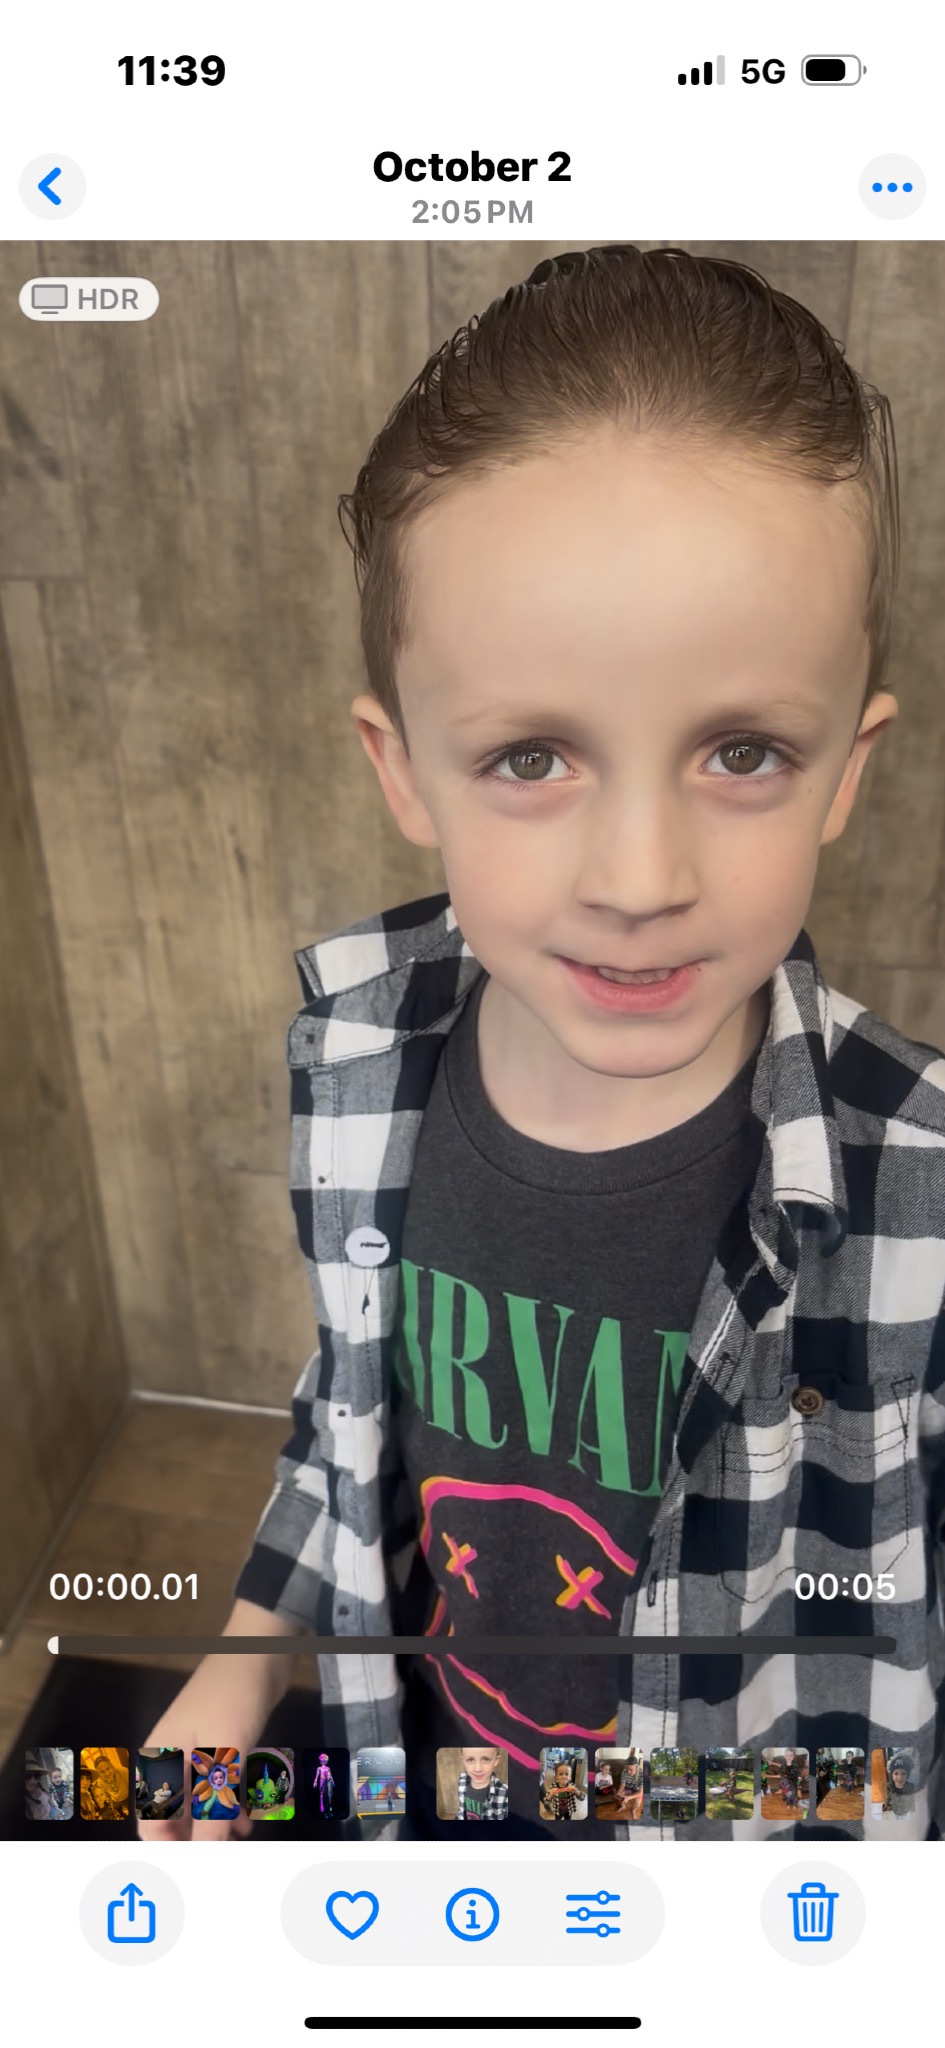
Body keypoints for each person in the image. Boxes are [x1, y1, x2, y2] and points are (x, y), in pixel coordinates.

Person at [137, 242, 945, 1844]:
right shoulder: (358, 1071)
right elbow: (347, 1406)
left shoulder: (914, 1184)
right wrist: (243, 1658)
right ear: (403, 769)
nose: (639, 880)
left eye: (741, 752)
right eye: (529, 758)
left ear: (844, 770)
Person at [455, 1747, 509, 1820]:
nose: (478, 1769)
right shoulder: (462, 1781)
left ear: (496, 1761)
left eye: (486, 1759)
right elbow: (461, 1809)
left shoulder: (505, 1792)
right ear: (463, 1761)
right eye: (470, 1760)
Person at [884, 1753, 917, 1817]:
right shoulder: (889, 1786)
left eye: (903, 1773)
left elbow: (912, 1799)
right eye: (896, 1773)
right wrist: (887, 1806)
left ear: (907, 1775)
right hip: (895, 1811)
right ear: (891, 1775)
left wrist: (913, 1810)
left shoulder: (911, 1786)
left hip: (907, 1812)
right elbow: (888, 1797)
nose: (899, 1778)